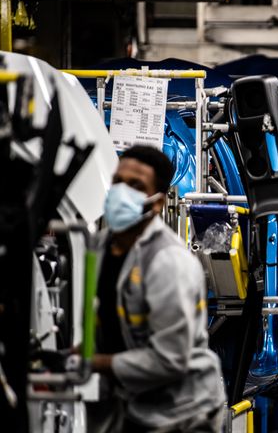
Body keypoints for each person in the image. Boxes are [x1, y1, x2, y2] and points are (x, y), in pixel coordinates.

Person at [89, 145, 225, 433]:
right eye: (118, 182)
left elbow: (169, 360)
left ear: (157, 203)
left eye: (135, 186)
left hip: (183, 413)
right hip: (132, 404)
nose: (121, 193)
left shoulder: (169, 262)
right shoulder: (97, 249)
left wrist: (94, 363)